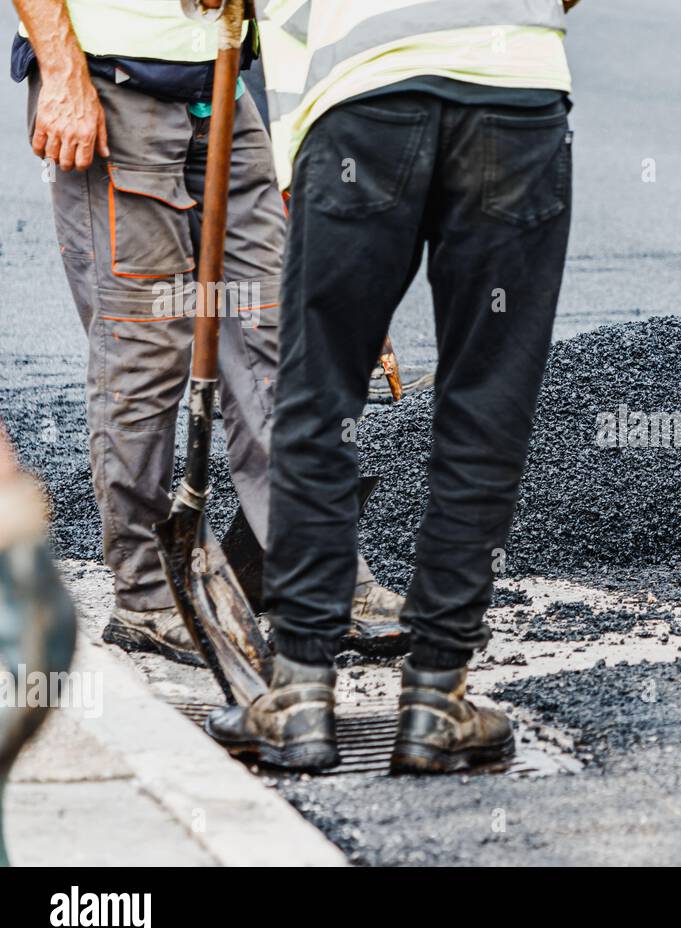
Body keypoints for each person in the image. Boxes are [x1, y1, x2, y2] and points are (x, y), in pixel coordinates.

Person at [205, 0, 578, 773]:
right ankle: (438, 699)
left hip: (364, 98)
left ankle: (301, 695)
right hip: (513, 93)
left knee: (317, 394)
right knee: (487, 400)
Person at [10, 0, 405, 665]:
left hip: (220, 78)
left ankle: (316, 574)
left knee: (275, 335)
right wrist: (60, 65)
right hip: (111, 83)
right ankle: (148, 592)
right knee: (147, 346)